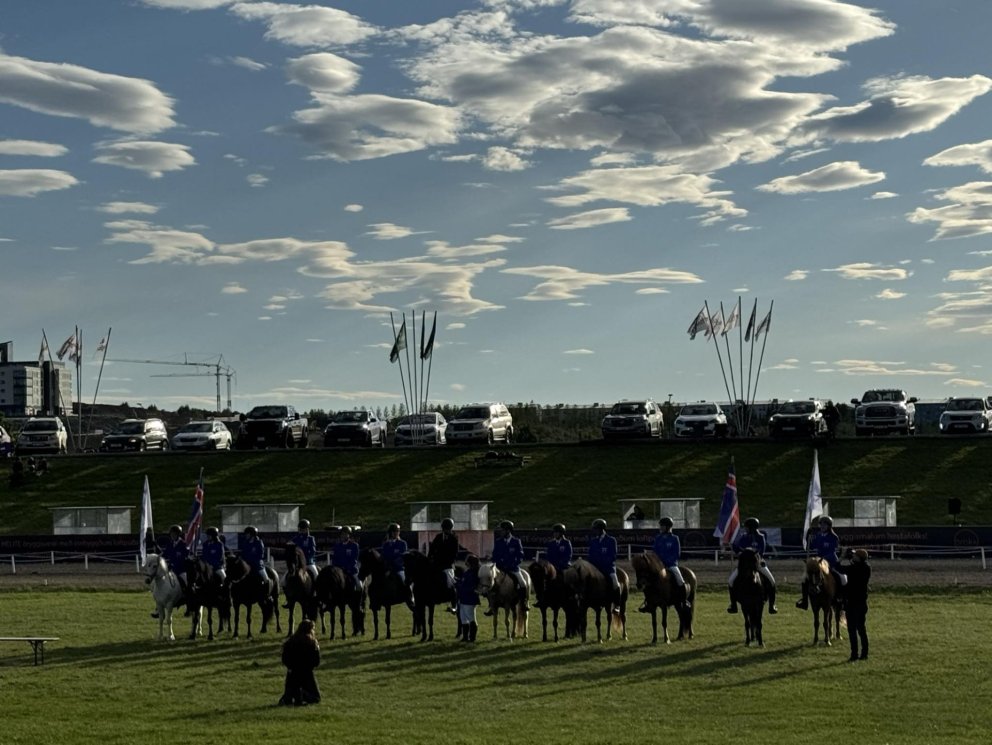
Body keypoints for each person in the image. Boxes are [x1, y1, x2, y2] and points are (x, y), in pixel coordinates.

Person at [727, 517, 778, 614]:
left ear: (751, 528)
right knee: (730, 581)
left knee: (772, 581)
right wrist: (734, 546)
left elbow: (761, 551)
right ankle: (733, 605)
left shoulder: (760, 537)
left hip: (757, 564)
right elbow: (739, 548)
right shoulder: (744, 537)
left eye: (746, 527)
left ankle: (772, 605)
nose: (745, 529)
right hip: (744, 565)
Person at [796, 515, 847, 609]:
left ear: (829, 526)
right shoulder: (818, 535)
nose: (822, 526)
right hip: (819, 563)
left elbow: (832, 551)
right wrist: (808, 537)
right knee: (806, 579)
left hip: (830, 562)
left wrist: (821, 559)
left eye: (825, 524)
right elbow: (811, 546)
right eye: (821, 524)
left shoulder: (833, 537)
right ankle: (804, 601)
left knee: (840, 577)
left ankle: (840, 598)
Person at [641, 517, 688, 611]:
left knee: (680, 580)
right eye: (660, 526)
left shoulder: (675, 538)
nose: (660, 527)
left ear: (667, 527)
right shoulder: (658, 538)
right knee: (648, 580)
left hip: (671, 565)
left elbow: (676, 554)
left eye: (662, 526)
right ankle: (648, 603)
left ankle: (684, 601)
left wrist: (667, 562)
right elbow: (655, 551)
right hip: (659, 565)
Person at [486, 520, 528, 615]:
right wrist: (495, 561)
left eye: (503, 530)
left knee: (523, 583)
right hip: (500, 568)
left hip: (513, 568)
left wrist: (513, 564)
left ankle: (524, 602)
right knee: (489, 582)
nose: (501, 532)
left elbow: (520, 556)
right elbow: (495, 554)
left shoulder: (516, 541)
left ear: (508, 531)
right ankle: (491, 606)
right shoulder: (498, 541)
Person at [278, 618, 321, 706]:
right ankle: (301, 694)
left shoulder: (290, 641)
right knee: (316, 698)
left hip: (292, 673)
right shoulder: (312, 643)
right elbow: (316, 661)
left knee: (289, 693)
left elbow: (285, 658)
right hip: (307, 673)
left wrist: (290, 667)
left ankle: (291, 695)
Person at [841, 548, 871, 662]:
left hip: (852, 603)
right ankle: (864, 653)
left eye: (855, 556)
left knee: (852, 630)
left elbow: (838, 567)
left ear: (859, 558)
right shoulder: (867, 568)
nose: (853, 557)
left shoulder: (853, 569)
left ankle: (854, 654)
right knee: (862, 629)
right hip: (862, 603)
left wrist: (842, 557)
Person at [152, 525, 189, 618]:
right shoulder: (170, 544)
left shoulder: (184, 544)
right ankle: (158, 607)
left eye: (174, 534)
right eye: (171, 534)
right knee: (159, 584)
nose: (172, 535)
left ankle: (189, 604)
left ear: (178, 534)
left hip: (181, 570)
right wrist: (157, 553)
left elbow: (184, 558)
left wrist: (176, 564)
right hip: (171, 570)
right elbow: (164, 554)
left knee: (186, 582)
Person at [428, 517, 460, 612]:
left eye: (448, 529)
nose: (447, 530)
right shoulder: (438, 537)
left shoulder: (454, 538)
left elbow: (454, 554)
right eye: (445, 529)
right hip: (436, 564)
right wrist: (429, 559)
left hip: (447, 566)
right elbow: (432, 549)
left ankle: (454, 605)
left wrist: (446, 563)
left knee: (450, 583)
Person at [588, 519, 621, 608]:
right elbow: (590, 555)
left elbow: (613, 555)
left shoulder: (611, 540)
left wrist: (603, 564)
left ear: (601, 529)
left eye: (596, 529)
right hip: (595, 569)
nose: (595, 531)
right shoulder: (593, 541)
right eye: (594, 529)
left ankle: (617, 605)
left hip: (608, 568)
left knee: (615, 583)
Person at [456, 554, 481, 643]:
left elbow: (469, 586)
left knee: (471, 618)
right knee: (463, 618)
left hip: (469, 599)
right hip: (463, 598)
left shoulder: (474, 573)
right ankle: (465, 637)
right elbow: (463, 582)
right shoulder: (468, 572)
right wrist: (457, 581)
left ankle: (472, 637)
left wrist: (459, 585)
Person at [332, 525, 362, 594]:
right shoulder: (337, 546)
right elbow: (334, 559)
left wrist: (346, 568)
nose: (343, 536)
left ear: (349, 535)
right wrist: (337, 568)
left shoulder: (354, 545)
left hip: (351, 570)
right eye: (342, 534)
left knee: (359, 585)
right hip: (339, 570)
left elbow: (354, 559)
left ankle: (359, 601)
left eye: (345, 534)